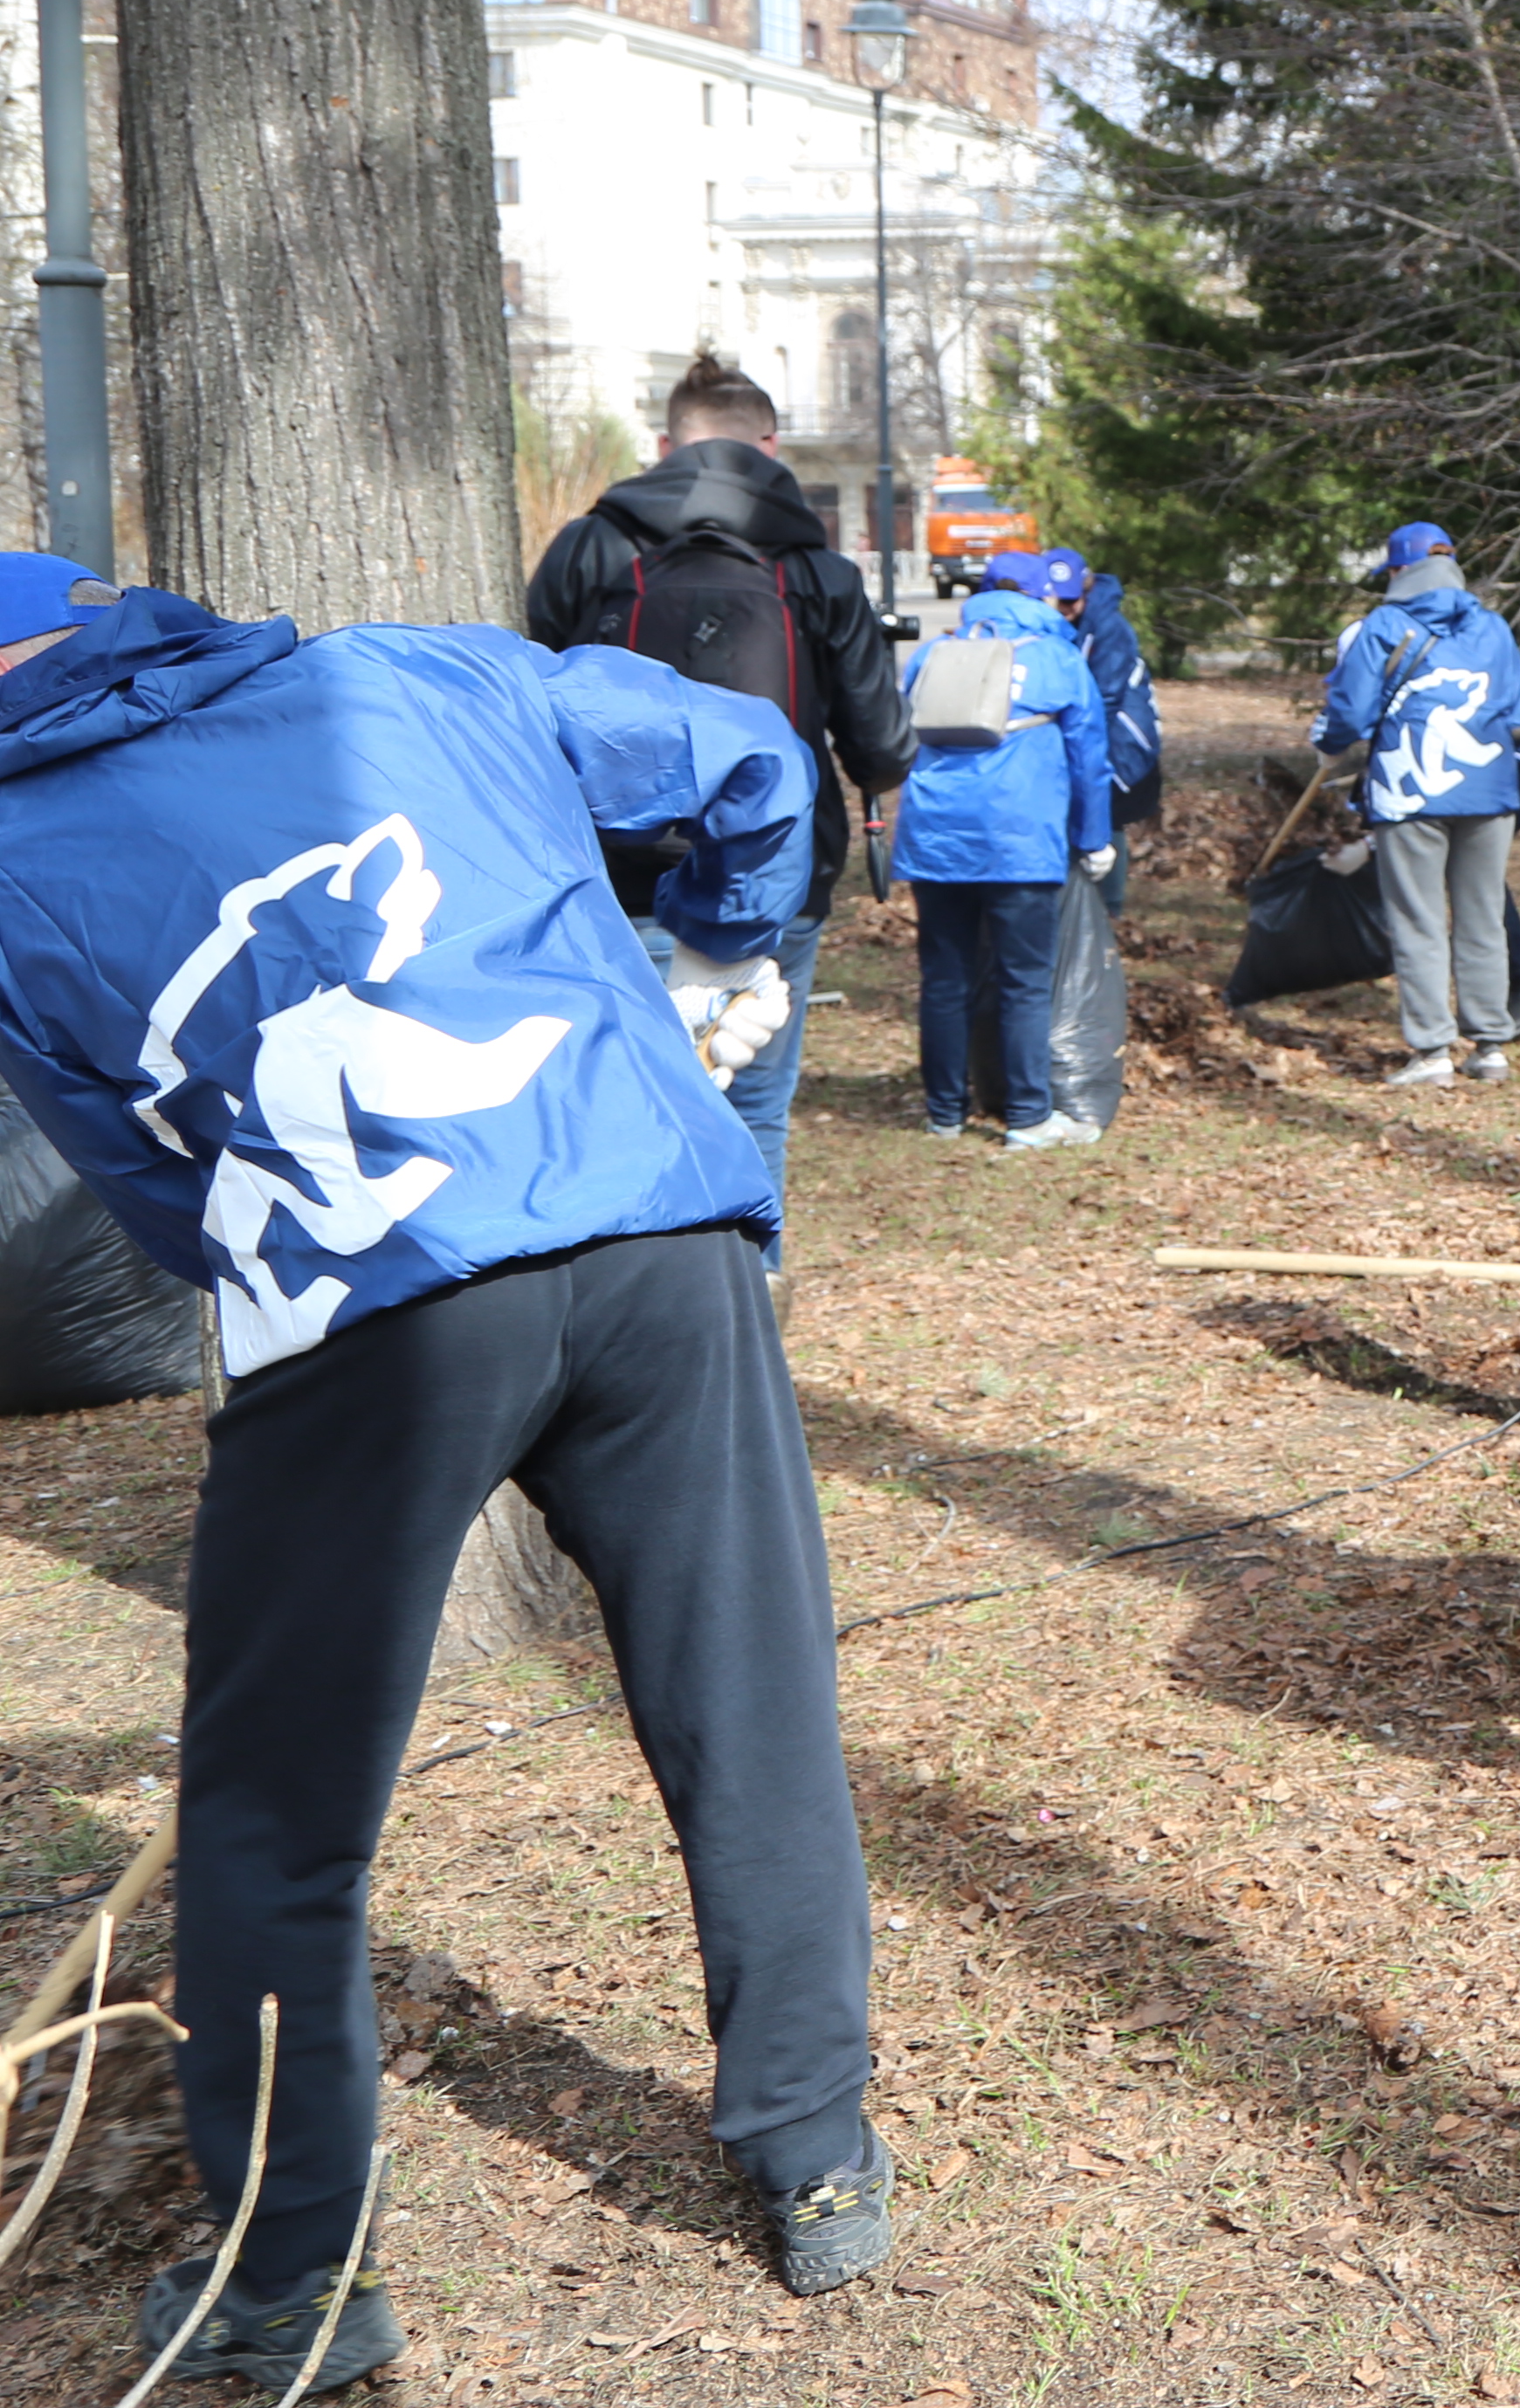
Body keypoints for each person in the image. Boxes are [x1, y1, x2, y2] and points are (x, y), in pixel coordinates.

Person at [0, 553, 892, 2386]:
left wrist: (275, 1250)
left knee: (272, 1818)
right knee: (754, 1704)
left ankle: (290, 2281)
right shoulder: (422, 675)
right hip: (659, 1237)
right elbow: (752, 759)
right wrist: (727, 952)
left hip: (373, 1299)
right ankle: (819, 2155)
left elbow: (142, 1183)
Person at [520, 352, 917, 1276]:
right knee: (751, 1102)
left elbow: (533, 696)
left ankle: (620, 1306)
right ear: (770, 447)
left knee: (613, 1093)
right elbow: (880, 742)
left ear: (664, 444)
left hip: (609, 877)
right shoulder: (818, 567)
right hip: (767, 877)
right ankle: (749, 1301)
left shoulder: (589, 548)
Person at [1311, 520, 1520, 1086]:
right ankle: (1490, 1046)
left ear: (1399, 570)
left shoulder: (1384, 624)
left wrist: (1330, 746)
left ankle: (1432, 1052)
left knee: (1419, 920)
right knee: (1481, 916)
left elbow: (1351, 711)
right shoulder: (1493, 627)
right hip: (1488, 788)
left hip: (1410, 791)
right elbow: (1510, 702)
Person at [897, 548, 1112, 1146]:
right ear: (1042, 597)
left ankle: (944, 1112)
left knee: (944, 977)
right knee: (1024, 979)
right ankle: (1027, 1116)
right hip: (1021, 837)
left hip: (936, 836)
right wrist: (1094, 839)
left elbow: (895, 732)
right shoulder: (1059, 659)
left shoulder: (933, 654)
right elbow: (1089, 757)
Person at [1039, 546, 1165, 834]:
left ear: (1086, 592)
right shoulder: (1045, 627)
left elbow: (1106, 699)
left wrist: (1079, 754)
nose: (1065, 608)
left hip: (1118, 742)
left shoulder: (1110, 627)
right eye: (1058, 600)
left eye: (1072, 599)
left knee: (1106, 820)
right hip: (1079, 740)